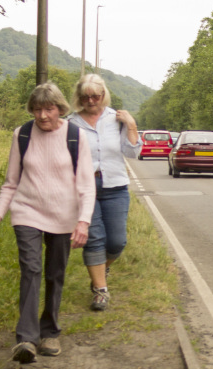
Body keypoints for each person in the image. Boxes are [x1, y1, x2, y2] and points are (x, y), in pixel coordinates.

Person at [0, 83, 96, 363]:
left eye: (49, 108)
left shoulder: (75, 136)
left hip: (64, 214)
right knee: (31, 269)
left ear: (60, 108)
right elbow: (11, 183)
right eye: (37, 109)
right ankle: (27, 339)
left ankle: (50, 332)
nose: (43, 115)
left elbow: (86, 184)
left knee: (55, 274)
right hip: (27, 211)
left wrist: (83, 221)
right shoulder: (21, 134)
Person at [67, 74, 142, 311]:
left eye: (95, 96)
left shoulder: (116, 119)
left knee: (117, 242)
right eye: (85, 96)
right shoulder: (70, 123)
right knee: (94, 239)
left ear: (103, 95)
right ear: (79, 97)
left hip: (115, 187)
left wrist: (131, 124)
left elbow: (132, 153)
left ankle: (102, 268)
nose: (91, 101)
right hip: (84, 189)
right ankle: (100, 290)